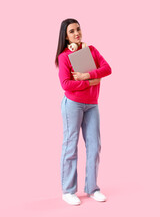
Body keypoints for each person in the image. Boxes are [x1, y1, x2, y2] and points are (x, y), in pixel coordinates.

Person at [55, 18, 112, 205]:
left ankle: (92, 188)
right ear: (65, 36)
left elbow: (107, 69)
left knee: (95, 146)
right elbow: (66, 84)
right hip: (73, 104)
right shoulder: (64, 57)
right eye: (71, 31)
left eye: (78, 29)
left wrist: (88, 74)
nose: (76, 33)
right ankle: (68, 191)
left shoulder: (92, 51)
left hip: (92, 105)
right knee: (71, 146)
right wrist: (90, 82)